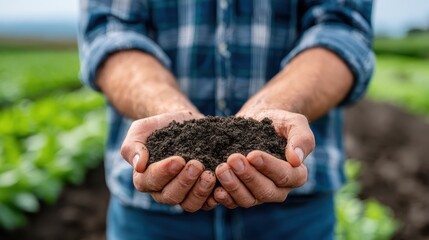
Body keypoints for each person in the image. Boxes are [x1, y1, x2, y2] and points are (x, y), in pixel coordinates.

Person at [78, 0, 374, 239]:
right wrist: (166, 111)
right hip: (151, 215)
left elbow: (341, 28)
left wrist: (273, 108)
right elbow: (110, 30)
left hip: (294, 212)